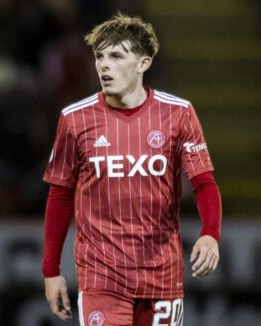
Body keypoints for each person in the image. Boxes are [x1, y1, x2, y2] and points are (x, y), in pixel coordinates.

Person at [41, 13, 222, 326]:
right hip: (101, 278)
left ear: (144, 63)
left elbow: (204, 182)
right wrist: (51, 270)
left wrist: (210, 235)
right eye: (99, 56)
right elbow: (60, 195)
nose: (103, 65)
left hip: (162, 278)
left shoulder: (178, 114)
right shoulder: (75, 119)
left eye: (116, 56)